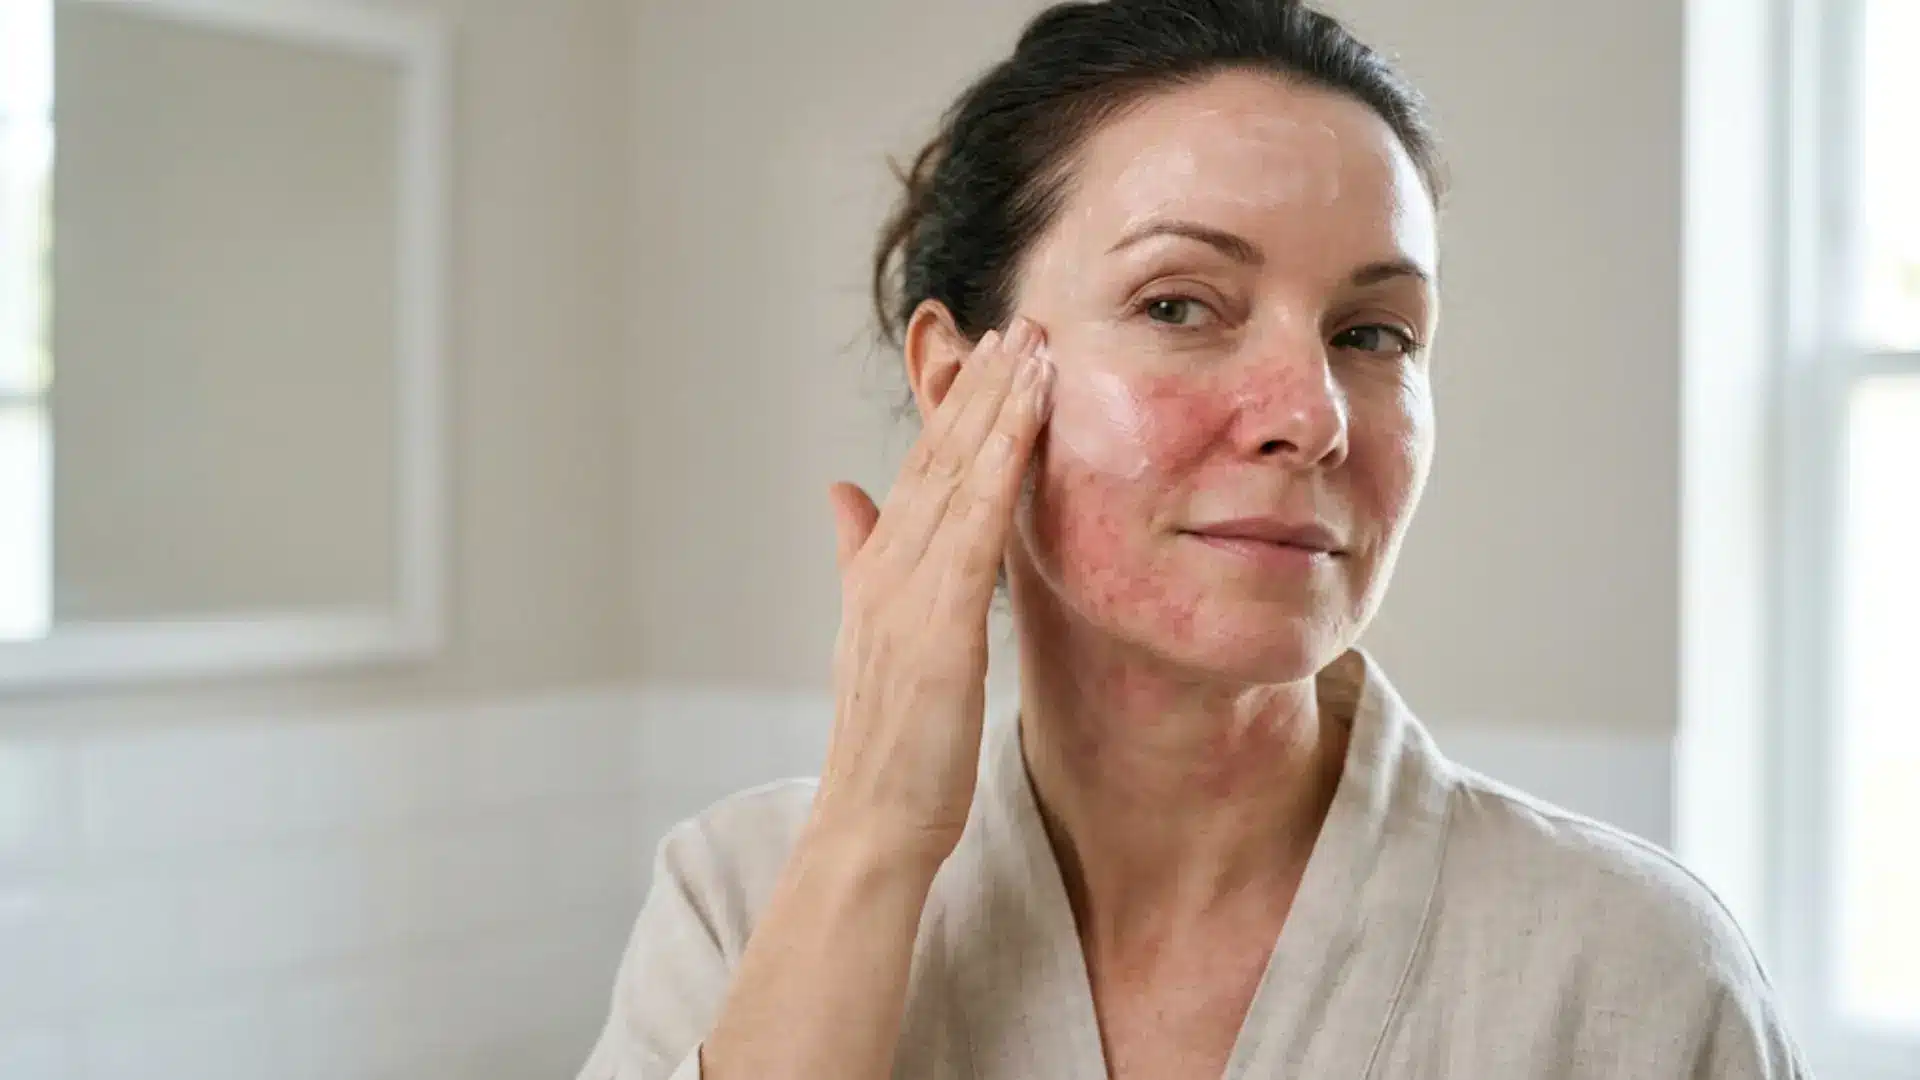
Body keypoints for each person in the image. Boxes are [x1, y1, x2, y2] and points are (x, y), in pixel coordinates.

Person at [577, 1, 1811, 1077]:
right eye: (1178, 305)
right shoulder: (740, 902)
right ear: (958, 386)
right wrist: (875, 834)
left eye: (1374, 335)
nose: (1311, 417)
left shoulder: (1632, 972)